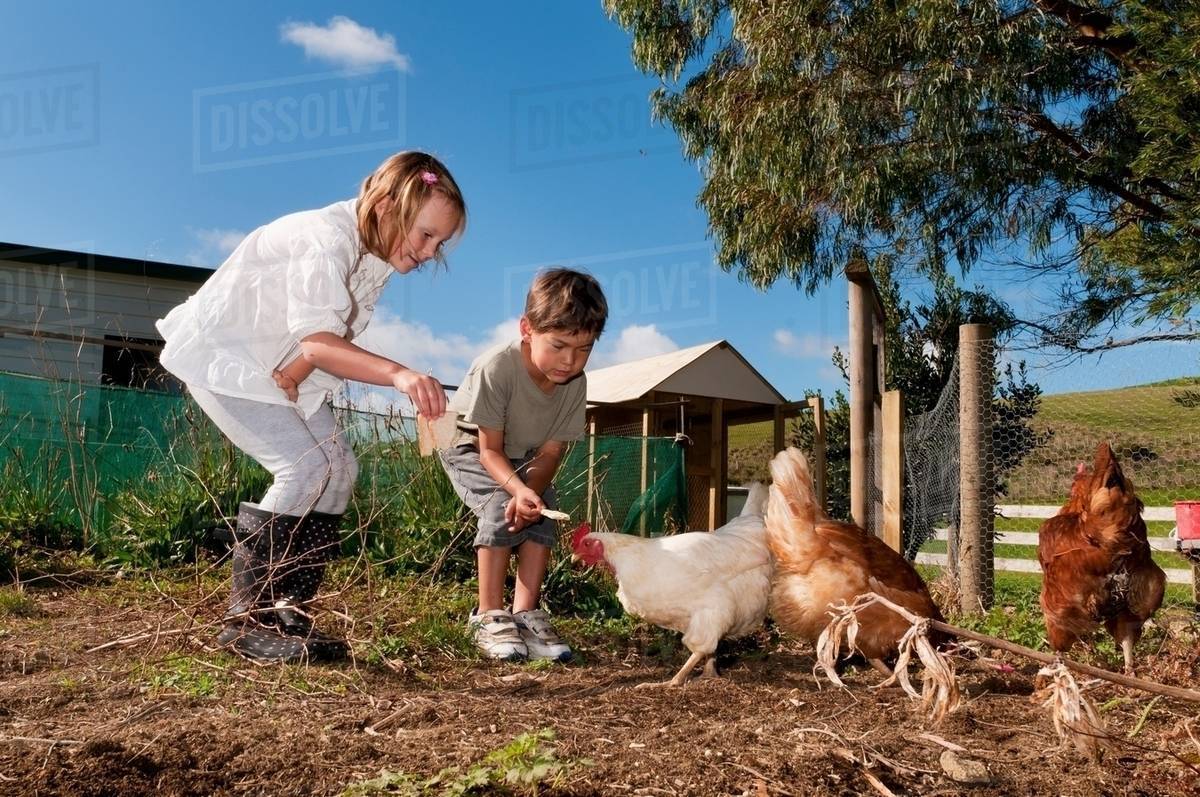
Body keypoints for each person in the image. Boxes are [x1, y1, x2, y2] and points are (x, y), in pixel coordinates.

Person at [156, 151, 466, 663]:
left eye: (440, 242)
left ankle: (287, 607)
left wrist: (295, 374)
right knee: (302, 470)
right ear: (386, 206)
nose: (431, 252)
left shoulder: (375, 256)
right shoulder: (327, 239)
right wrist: (401, 375)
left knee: (340, 469)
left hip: (272, 370)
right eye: (426, 234)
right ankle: (245, 621)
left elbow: (320, 337)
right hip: (223, 357)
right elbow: (322, 339)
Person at [440, 268, 607, 662]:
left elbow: (550, 453)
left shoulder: (574, 384)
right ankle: (488, 615)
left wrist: (529, 491)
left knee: (543, 508)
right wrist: (515, 490)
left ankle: (526, 615)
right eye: (559, 345)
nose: (570, 360)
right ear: (527, 328)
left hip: (523, 455)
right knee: (501, 507)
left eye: (584, 349)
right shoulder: (496, 367)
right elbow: (488, 452)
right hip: (467, 444)